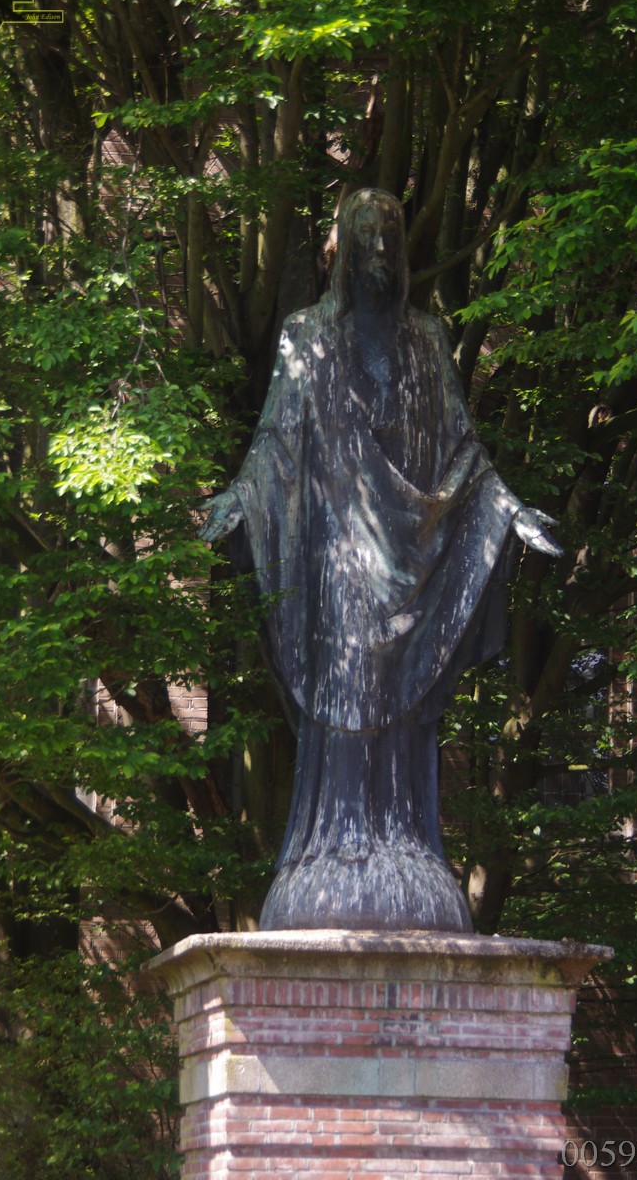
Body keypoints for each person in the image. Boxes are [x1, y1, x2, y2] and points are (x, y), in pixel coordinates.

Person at [200, 189, 560, 932]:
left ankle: (406, 844)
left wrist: (510, 512)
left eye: (389, 240)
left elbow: (463, 449)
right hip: (336, 559)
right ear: (341, 250)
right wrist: (237, 500)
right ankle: (333, 847)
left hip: (412, 558)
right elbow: (276, 443)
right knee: (346, 684)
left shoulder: (426, 339)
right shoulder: (305, 336)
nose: (378, 252)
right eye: (364, 239)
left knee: (402, 703)